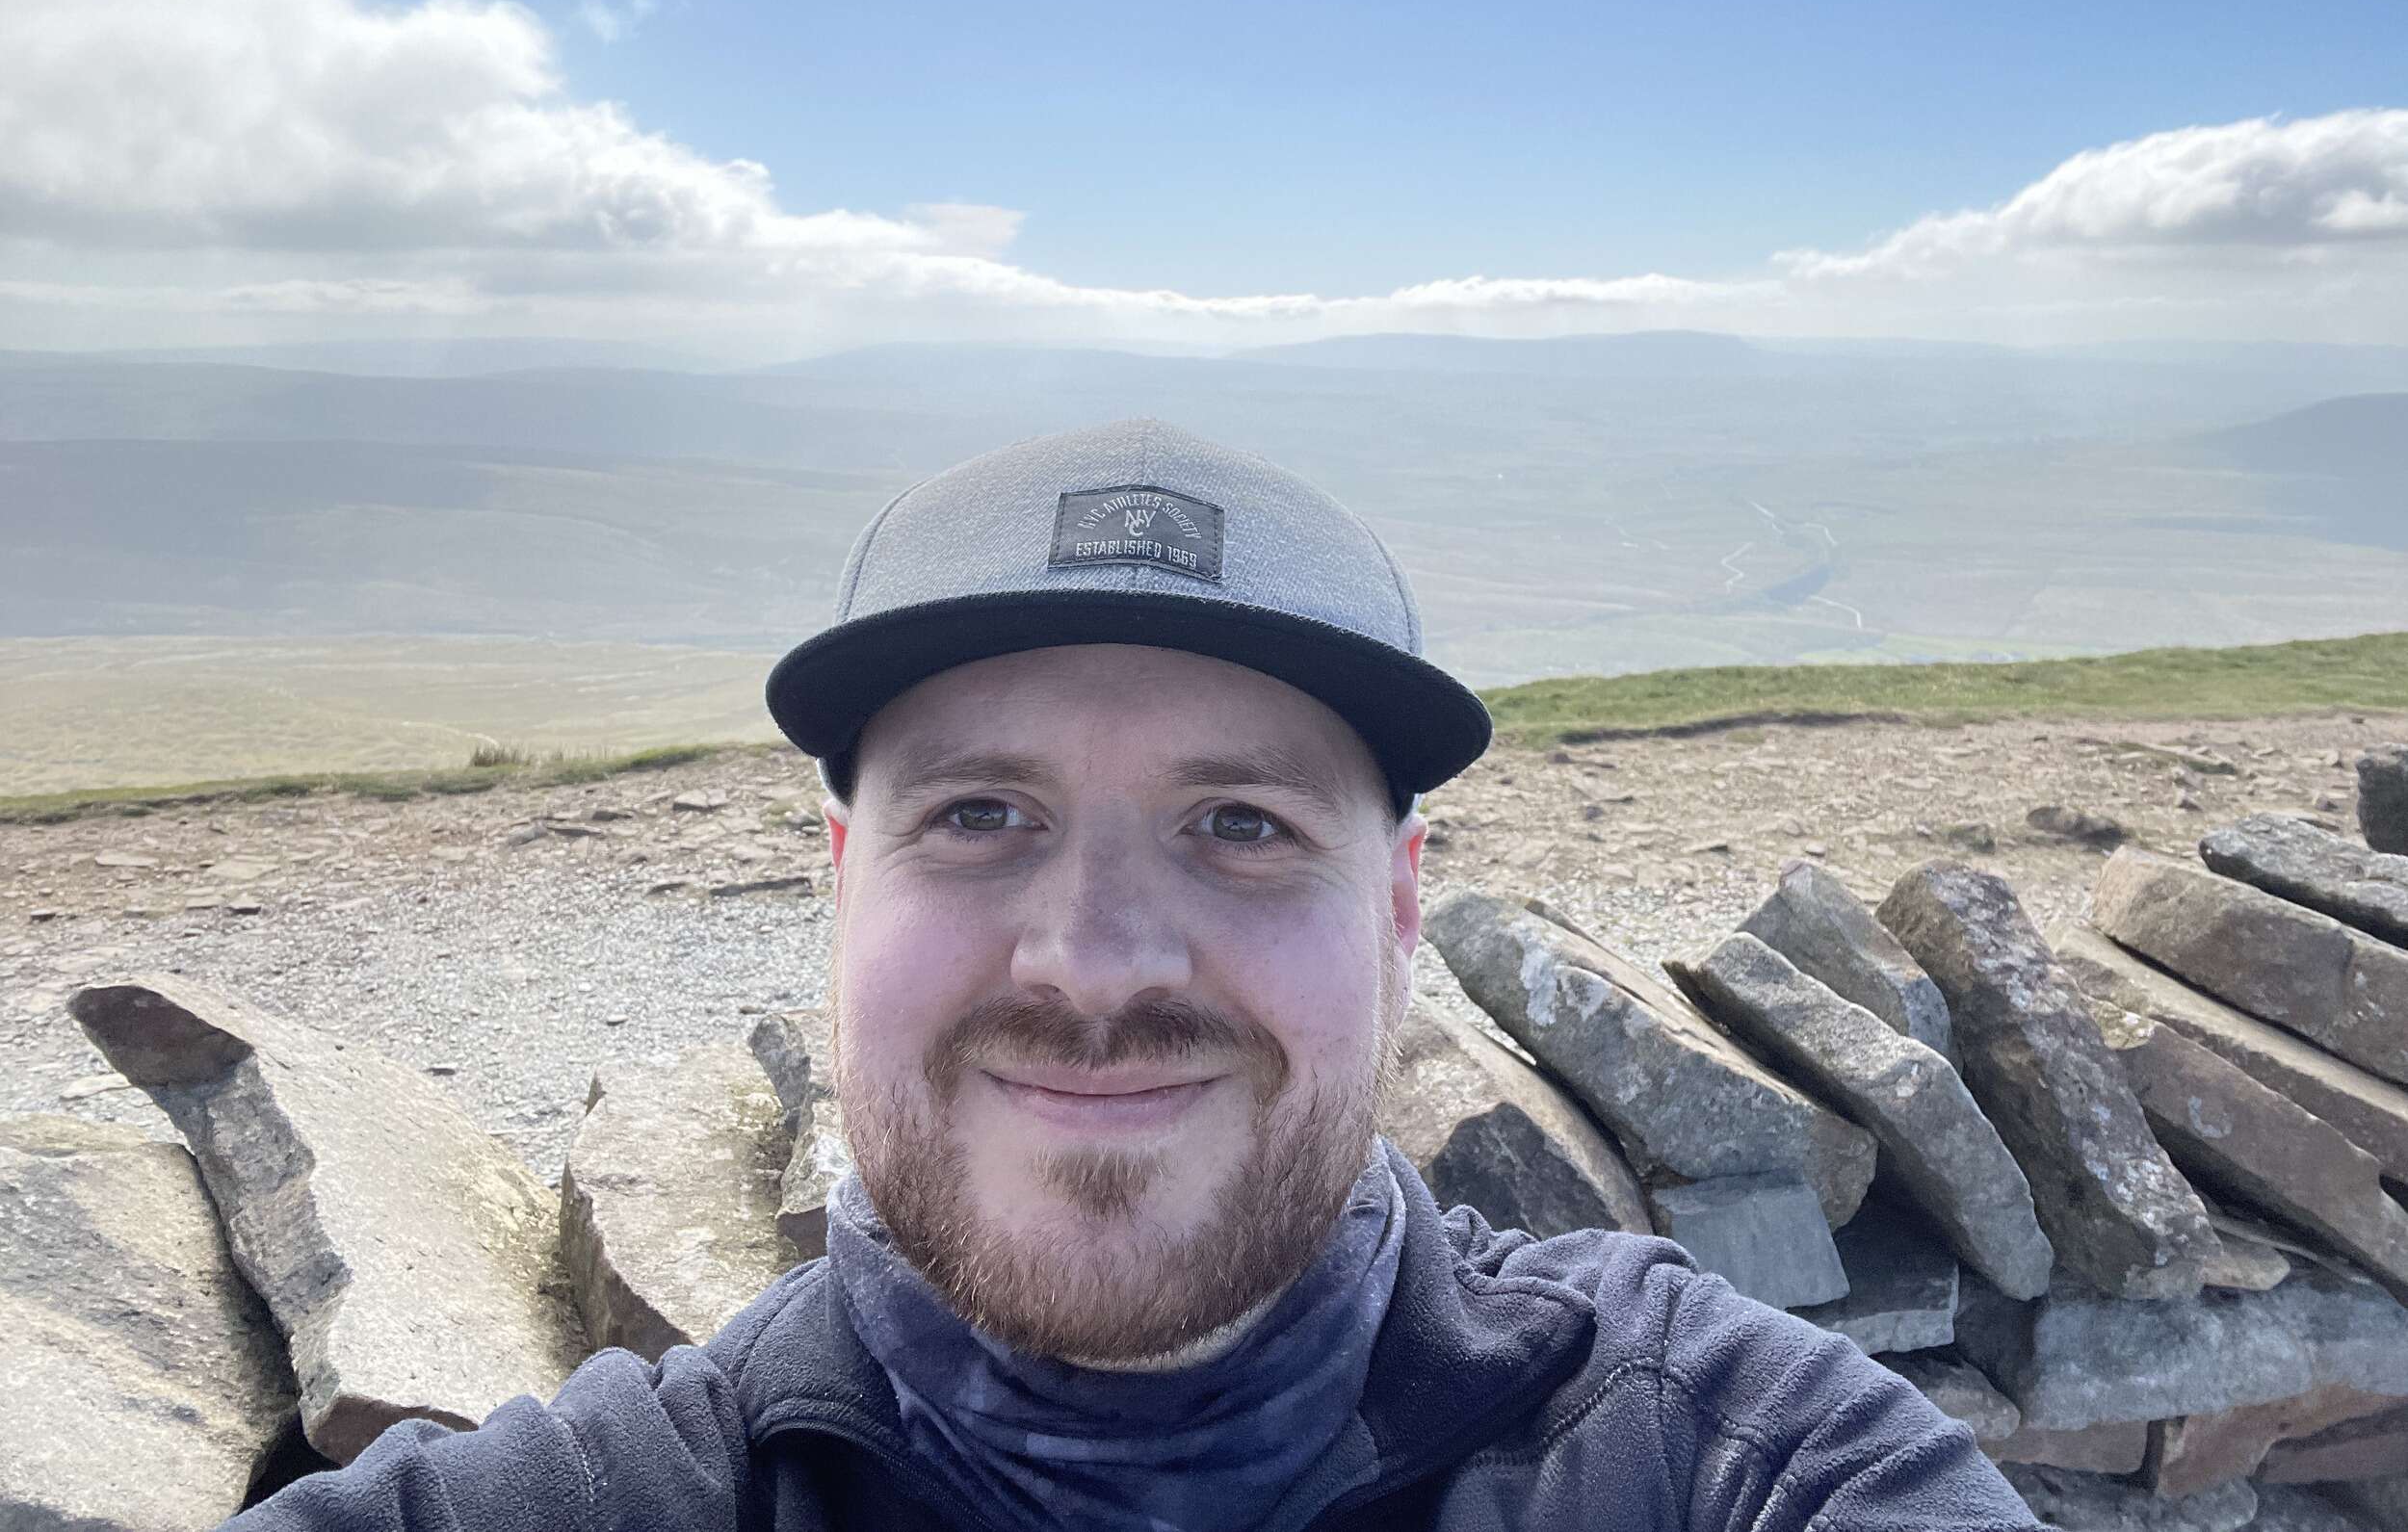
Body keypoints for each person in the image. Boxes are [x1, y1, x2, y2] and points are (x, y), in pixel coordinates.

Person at [227, 416, 2038, 1530]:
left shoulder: (1719, 1462)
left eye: (1241, 824)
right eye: (984, 814)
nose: (1092, 962)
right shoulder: (599, 1507)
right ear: (842, 884)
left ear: (1402, 908)